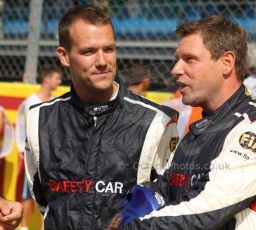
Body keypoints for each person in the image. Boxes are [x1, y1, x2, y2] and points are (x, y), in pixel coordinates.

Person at [120, 15, 256, 229]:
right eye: (177, 59)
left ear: (226, 63)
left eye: (190, 59)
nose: (176, 69)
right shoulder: (201, 127)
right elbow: (162, 191)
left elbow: (204, 212)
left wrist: (131, 227)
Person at [24, 5, 178, 230]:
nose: (102, 61)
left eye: (109, 49)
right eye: (88, 52)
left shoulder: (156, 121)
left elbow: (171, 205)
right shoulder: (38, 119)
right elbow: (43, 202)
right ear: (64, 56)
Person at [16, 64, 62, 230]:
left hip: (51, 155)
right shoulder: (30, 102)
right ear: (46, 79)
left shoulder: (55, 103)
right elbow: (21, 127)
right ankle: (24, 227)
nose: (59, 81)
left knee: (50, 191)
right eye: (56, 78)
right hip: (33, 154)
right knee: (29, 191)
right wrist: (23, 148)